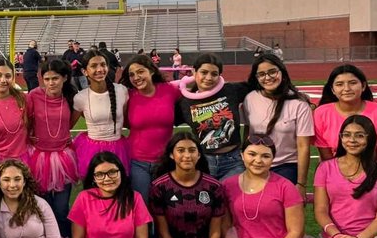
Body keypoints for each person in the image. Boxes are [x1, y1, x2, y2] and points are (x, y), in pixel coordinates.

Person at [25, 58, 81, 235]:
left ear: (65, 78)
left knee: (61, 208)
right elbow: (26, 123)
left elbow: (69, 124)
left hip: (63, 157)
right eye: (47, 79)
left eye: (55, 78)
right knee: (44, 208)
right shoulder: (33, 95)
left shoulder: (71, 97)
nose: (51, 83)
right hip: (39, 157)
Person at [175, 53, 251, 180]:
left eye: (214, 74)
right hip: (203, 162)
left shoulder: (231, 90)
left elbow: (260, 86)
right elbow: (163, 120)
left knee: (230, 192)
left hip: (233, 162)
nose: (209, 78)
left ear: (219, 76)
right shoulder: (184, 102)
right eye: (204, 72)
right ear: (194, 72)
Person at [244, 54, 314, 188]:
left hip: (286, 165)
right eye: (261, 74)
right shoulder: (250, 98)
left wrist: (301, 183)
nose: (267, 78)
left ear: (282, 72)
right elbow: (248, 133)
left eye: (272, 72)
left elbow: (303, 146)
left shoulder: (299, 104)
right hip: (256, 164)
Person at [121, 53, 180, 198]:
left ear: (152, 71)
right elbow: (125, 123)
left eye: (140, 72)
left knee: (166, 205)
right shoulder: (128, 96)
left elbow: (192, 104)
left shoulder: (170, 90)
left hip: (166, 161)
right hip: (137, 162)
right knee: (142, 204)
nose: (136, 77)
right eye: (132, 74)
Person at [314, 64, 377, 163]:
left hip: (371, 170)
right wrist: (336, 171)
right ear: (332, 90)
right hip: (334, 169)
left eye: (352, 83)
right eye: (339, 84)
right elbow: (325, 156)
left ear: (363, 86)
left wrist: (374, 172)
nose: (347, 88)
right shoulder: (321, 114)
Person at [73, 50, 129, 176]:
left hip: (119, 148)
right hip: (91, 151)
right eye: (94, 66)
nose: (100, 69)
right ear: (84, 71)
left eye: (103, 65)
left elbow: (126, 120)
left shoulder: (121, 91)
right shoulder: (80, 98)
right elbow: (68, 126)